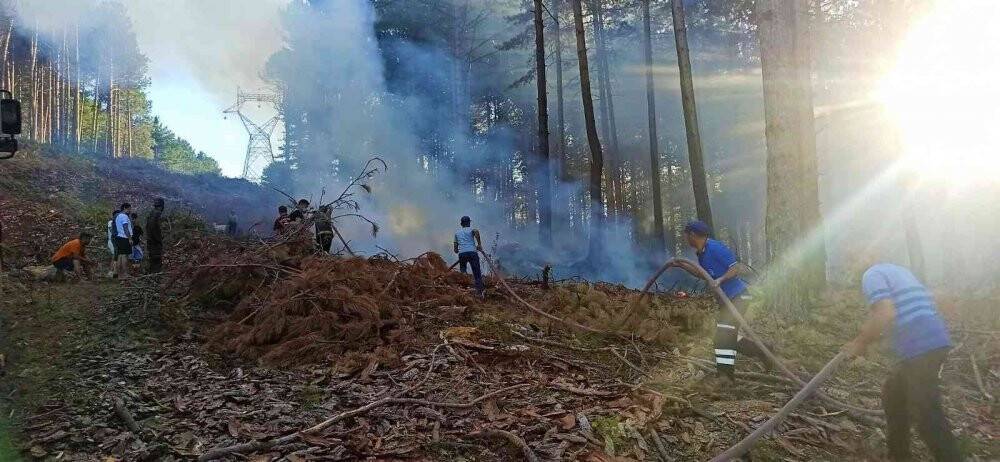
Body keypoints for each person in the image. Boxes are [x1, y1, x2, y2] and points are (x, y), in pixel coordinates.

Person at [843, 263, 961, 462]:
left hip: (920, 346)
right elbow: (914, 305)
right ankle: (899, 456)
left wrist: (860, 342)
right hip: (930, 341)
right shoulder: (897, 270)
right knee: (894, 397)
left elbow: (885, 313)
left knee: (926, 413)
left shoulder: (872, 274)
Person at [675, 220, 765, 381]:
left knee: (722, 337)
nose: (685, 239)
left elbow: (735, 268)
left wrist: (721, 280)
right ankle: (764, 352)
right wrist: (682, 265)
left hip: (738, 297)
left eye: (686, 235)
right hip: (728, 301)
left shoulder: (715, 248)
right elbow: (704, 275)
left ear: (693, 235)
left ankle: (725, 376)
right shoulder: (701, 253)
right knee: (730, 336)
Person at [453, 216, 484, 298]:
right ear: (469, 223)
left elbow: (455, 248)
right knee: (477, 273)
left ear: (461, 224)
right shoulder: (471, 230)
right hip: (472, 253)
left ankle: (464, 289)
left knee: (463, 271)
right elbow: (476, 231)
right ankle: (479, 293)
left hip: (462, 254)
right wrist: (479, 244)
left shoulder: (457, 233)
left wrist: (457, 250)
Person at [113, 203, 133, 279]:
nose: (130, 210)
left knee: (120, 256)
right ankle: (124, 274)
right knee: (124, 256)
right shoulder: (124, 216)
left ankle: (119, 274)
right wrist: (130, 238)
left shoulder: (118, 216)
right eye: (129, 209)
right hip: (124, 238)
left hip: (119, 237)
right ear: (125, 208)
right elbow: (125, 227)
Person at [146, 198, 164, 274]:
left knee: (152, 259)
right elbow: (154, 228)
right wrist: (159, 239)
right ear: (162, 206)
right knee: (156, 259)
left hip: (150, 240)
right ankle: (155, 276)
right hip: (155, 242)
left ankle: (151, 275)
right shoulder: (157, 213)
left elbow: (147, 226)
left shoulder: (151, 213)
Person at [106, 208, 120, 277]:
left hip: (115, 241)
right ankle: (111, 272)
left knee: (116, 256)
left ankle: (115, 272)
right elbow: (112, 231)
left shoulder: (116, 223)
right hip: (112, 241)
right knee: (114, 256)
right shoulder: (111, 222)